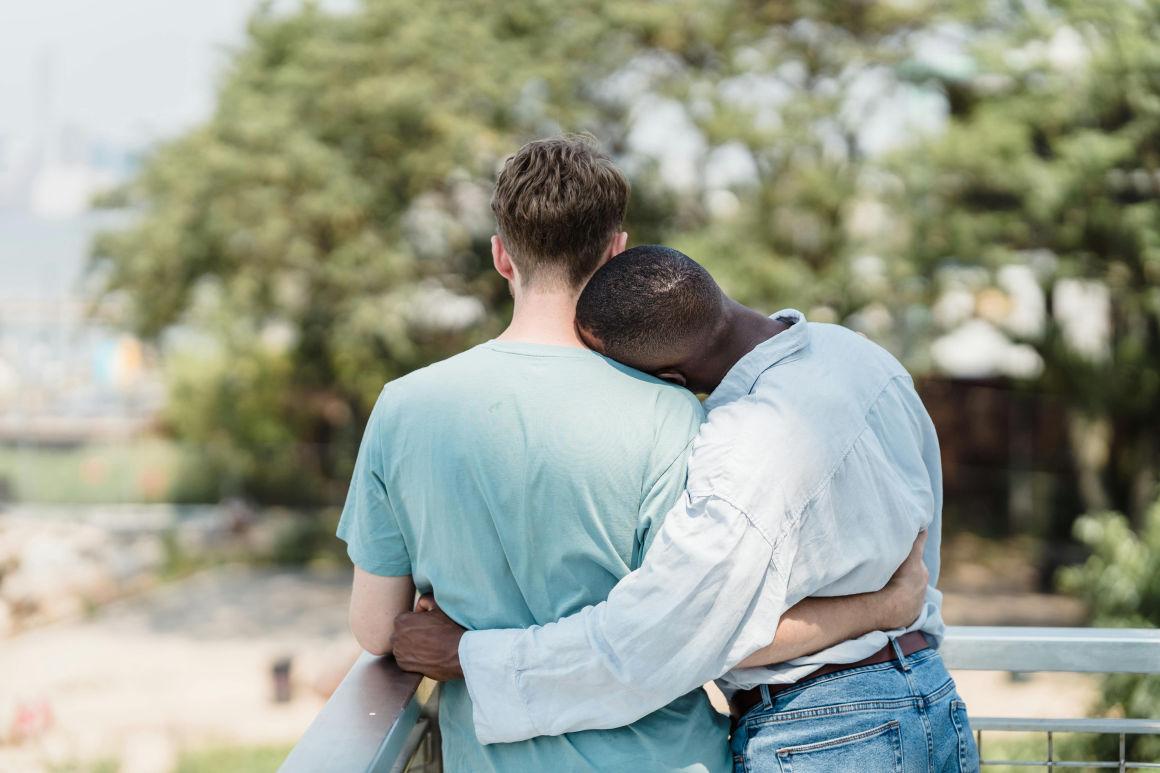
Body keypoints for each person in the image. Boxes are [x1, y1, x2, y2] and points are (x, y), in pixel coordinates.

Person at [338, 138, 930, 772]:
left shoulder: (402, 405)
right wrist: (885, 605)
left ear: (501, 256)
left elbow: (377, 630)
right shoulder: (678, 414)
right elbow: (707, 628)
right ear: (617, 252)